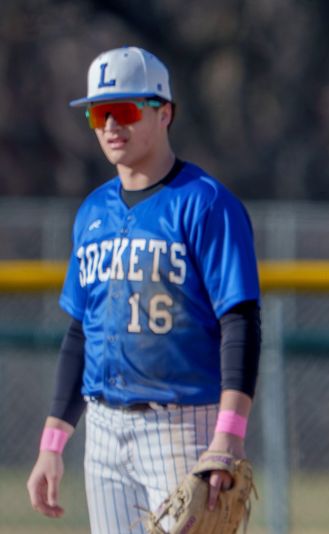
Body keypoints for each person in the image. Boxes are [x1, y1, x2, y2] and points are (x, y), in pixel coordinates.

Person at [26, 46, 262, 533]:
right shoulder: (92, 212)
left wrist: (229, 435)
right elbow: (80, 333)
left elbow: (240, 321)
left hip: (183, 425)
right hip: (105, 429)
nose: (111, 125)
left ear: (165, 113)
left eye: (126, 110)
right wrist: (52, 443)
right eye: (98, 112)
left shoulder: (207, 204)